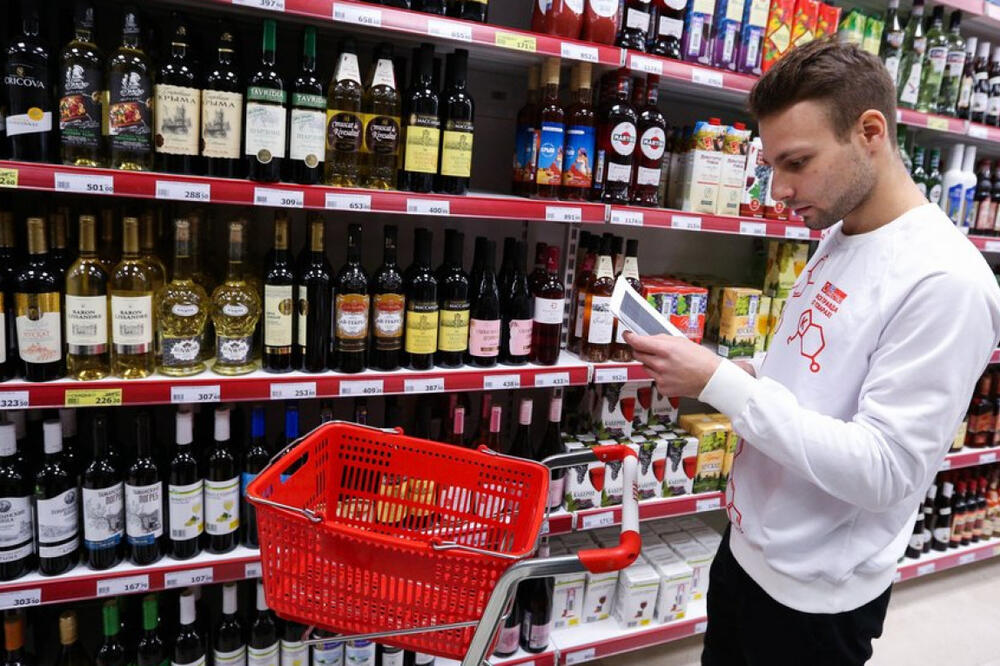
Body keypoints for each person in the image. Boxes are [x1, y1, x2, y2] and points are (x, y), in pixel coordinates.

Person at [623, 38, 1000, 665]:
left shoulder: (946, 281)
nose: (779, 189)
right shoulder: (843, 230)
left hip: (814, 603)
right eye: (772, 165)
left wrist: (722, 383)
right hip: (747, 552)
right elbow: (814, 372)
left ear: (870, 131)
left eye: (796, 162)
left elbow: (886, 471)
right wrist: (736, 371)